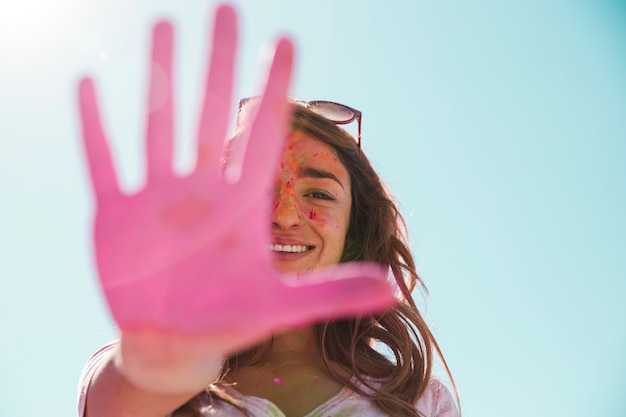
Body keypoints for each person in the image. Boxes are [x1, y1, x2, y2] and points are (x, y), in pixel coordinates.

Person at [76, 4, 459, 417]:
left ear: (355, 231)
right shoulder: (136, 366)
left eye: (320, 195)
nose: (285, 216)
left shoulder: (418, 398)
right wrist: (154, 369)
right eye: (260, 192)